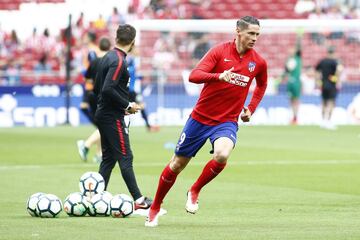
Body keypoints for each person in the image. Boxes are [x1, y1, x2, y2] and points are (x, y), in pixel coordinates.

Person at [145, 16, 268, 227]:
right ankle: (155, 207)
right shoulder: (219, 51)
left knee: (222, 154)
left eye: (257, 34)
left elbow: (262, 85)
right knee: (177, 164)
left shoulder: (258, 62)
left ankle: (195, 189)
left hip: (227, 121)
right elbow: (194, 75)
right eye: (251, 33)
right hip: (200, 118)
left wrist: (251, 109)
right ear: (238, 31)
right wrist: (218, 76)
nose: (254, 38)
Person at [94, 24, 152, 210]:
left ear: (116, 38)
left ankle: (95, 198)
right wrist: (126, 105)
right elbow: (107, 88)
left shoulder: (107, 57)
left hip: (105, 113)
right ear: (133, 42)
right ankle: (139, 200)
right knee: (125, 156)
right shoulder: (119, 61)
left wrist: (119, 107)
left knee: (109, 159)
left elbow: (98, 88)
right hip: (111, 117)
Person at [77, 37, 111, 163]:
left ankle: (99, 154)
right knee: (106, 126)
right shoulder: (109, 61)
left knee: (102, 126)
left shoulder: (94, 61)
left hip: (93, 95)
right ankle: (85, 146)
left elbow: (87, 78)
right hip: (103, 97)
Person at [127, 54, 159, 132]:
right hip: (132, 92)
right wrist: (142, 77)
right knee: (141, 107)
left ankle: (148, 125)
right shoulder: (133, 69)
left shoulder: (127, 69)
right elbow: (137, 76)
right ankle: (148, 126)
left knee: (135, 107)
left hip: (126, 91)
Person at [315, 46, 341, 130]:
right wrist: (337, 81)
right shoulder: (335, 62)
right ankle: (328, 121)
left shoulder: (322, 61)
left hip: (323, 84)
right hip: (331, 85)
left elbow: (317, 71)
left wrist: (318, 81)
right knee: (331, 103)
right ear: (333, 53)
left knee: (323, 102)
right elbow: (338, 72)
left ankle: (323, 121)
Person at [282, 32, 302, 124]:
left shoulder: (298, 58)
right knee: (291, 100)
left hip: (297, 82)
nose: (291, 51)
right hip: (290, 83)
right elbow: (286, 71)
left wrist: (299, 37)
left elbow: (299, 47)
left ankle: (296, 117)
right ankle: (293, 117)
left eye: (292, 49)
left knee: (296, 99)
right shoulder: (288, 60)